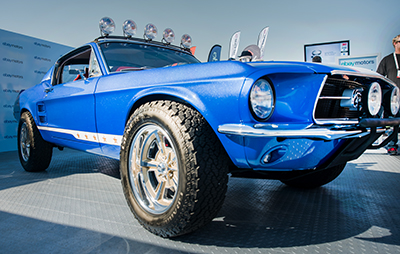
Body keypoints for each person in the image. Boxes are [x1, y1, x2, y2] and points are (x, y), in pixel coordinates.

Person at [377, 34, 400, 155]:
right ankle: (392, 146)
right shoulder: (387, 60)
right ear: (395, 43)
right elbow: (379, 77)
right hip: (394, 98)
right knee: (393, 122)